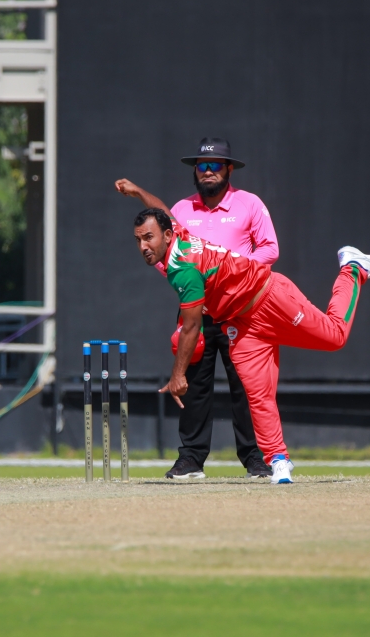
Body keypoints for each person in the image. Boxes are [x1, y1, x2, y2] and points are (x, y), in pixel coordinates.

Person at [132, 207, 370, 484]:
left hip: (270, 298)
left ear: (168, 235)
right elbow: (161, 210)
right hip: (243, 325)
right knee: (257, 393)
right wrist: (138, 193)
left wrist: (178, 375)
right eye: (139, 240)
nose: (144, 246)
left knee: (335, 336)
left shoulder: (183, 270)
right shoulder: (179, 235)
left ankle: (353, 268)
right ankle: (278, 459)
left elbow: (192, 327)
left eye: (149, 238)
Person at [115, 137, 278, 480]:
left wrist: (233, 274)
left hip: (239, 312)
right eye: (201, 166)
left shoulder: (249, 204)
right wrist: (137, 193)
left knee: (247, 386)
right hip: (197, 312)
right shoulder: (184, 209)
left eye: (215, 165)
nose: (207, 171)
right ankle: (191, 459)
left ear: (229, 169)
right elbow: (162, 224)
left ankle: (255, 459)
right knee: (193, 386)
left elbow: (269, 250)